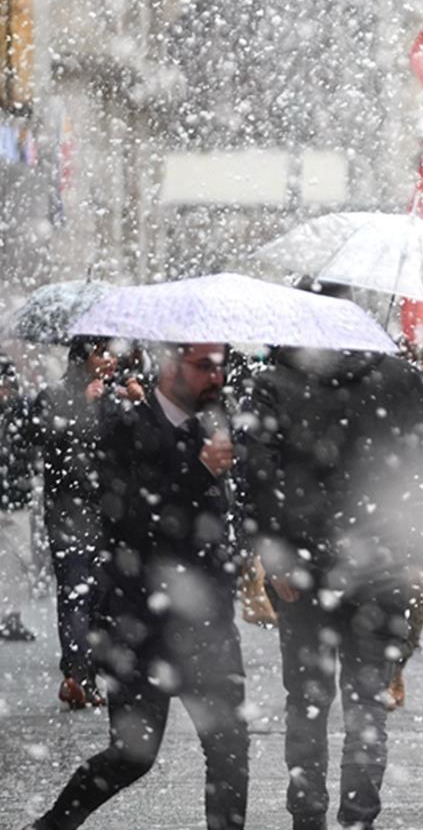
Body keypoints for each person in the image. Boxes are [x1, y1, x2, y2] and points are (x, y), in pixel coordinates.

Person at [30, 343, 248, 830]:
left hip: (208, 625)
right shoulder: (123, 425)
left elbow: (227, 517)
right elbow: (130, 522)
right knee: (133, 755)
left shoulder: (217, 423)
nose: (216, 377)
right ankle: (52, 825)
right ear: (171, 364)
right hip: (141, 625)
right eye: (203, 366)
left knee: (229, 748)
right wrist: (201, 472)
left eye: (221, 366)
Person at [241, 340, 423, 830]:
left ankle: (307, 818)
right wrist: (414, 554)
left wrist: (274, 552)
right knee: (367, 702)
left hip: (302, 569)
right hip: (383, 564)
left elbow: (256, 475)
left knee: (306, 702)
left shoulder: (273, 384)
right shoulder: (401, 378)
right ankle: (359, 818)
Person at [32, 337, 143, 707]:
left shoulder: (118, 395)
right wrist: (82, 405)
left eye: (113, 353)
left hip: (109, 513)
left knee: (101, 596)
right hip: (68, 512)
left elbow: (135, 447)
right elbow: (40, 436)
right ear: (82, 358)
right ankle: (76, 673)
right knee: (75, 592)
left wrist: (139, 405)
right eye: (102, 352)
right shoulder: (53, 395)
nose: (111, 360)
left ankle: (89, 675)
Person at [1, 354, 39, 642]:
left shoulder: (22, 411)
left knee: (19, 561)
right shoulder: (22, 411)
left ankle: (11, 616)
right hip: (14, 494)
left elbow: (32, 445)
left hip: (14, 497)